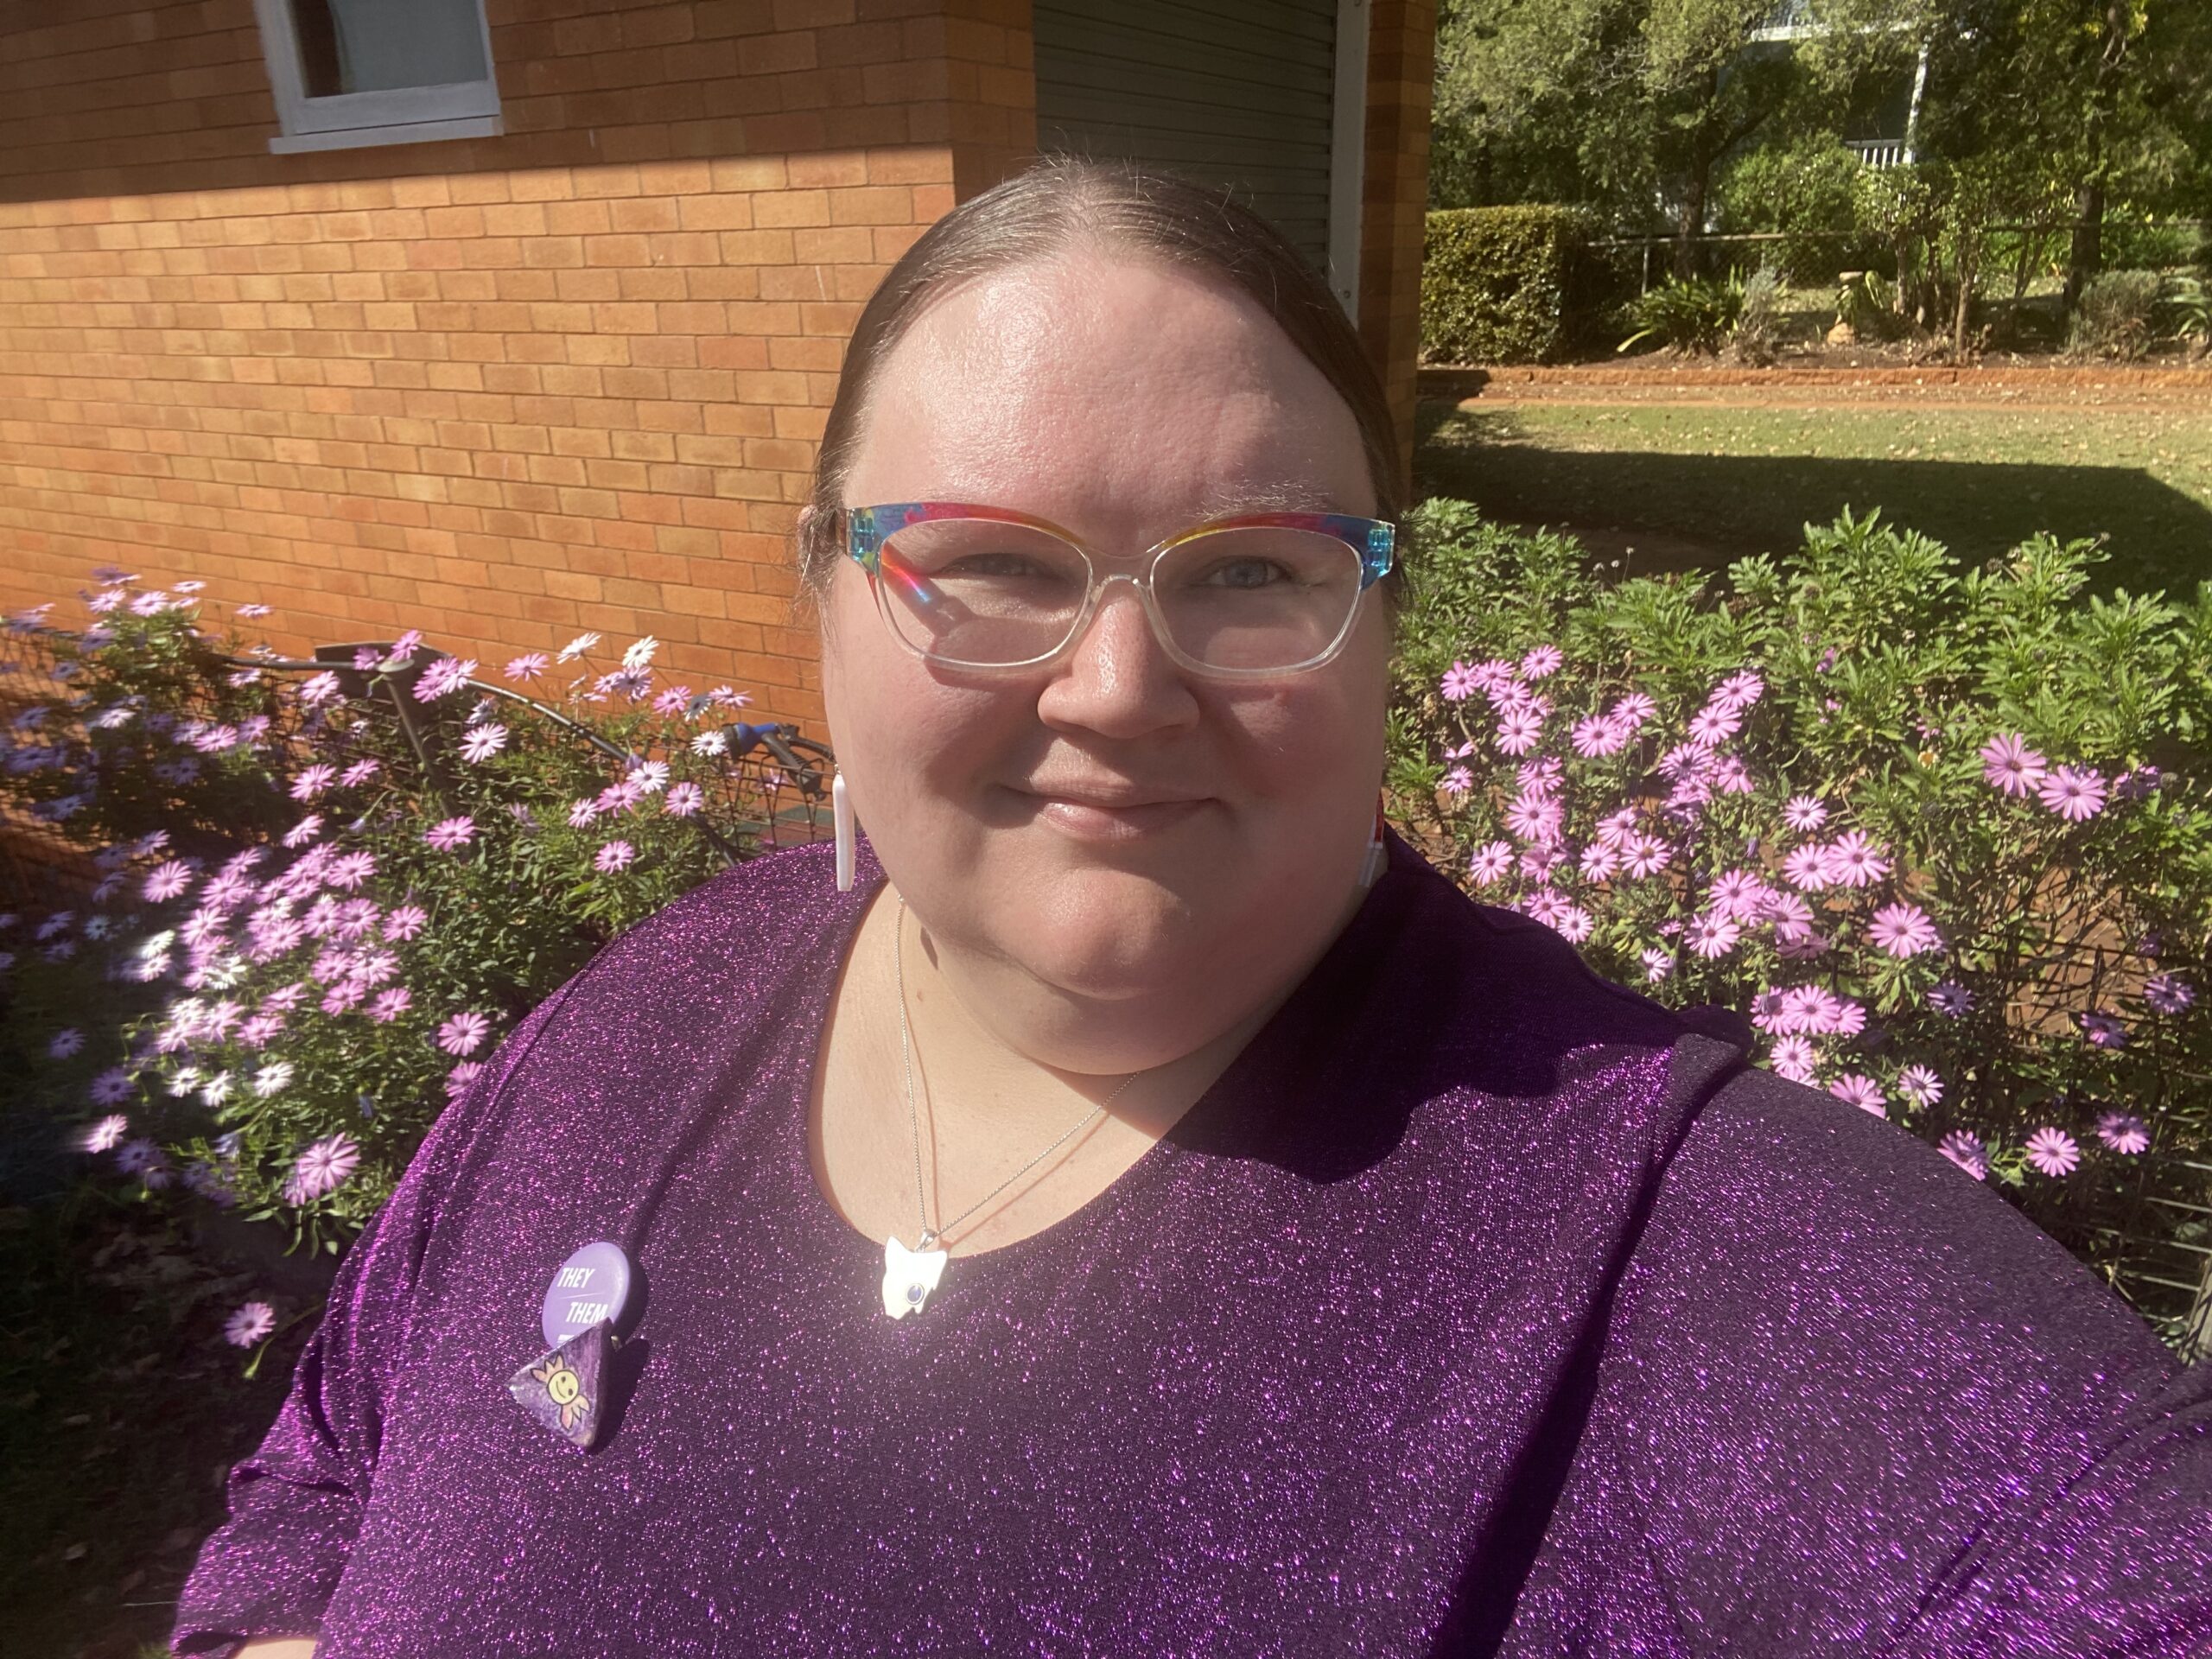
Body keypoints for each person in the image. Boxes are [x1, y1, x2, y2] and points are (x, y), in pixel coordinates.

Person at [178, 161, 2210, 1659]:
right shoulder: (633, 1027)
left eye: (1251, 570)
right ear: (816, 597)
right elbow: (327, 1473)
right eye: (979, 561)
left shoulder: (1677, 1254)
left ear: (1380, 618)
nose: (1117, 688)